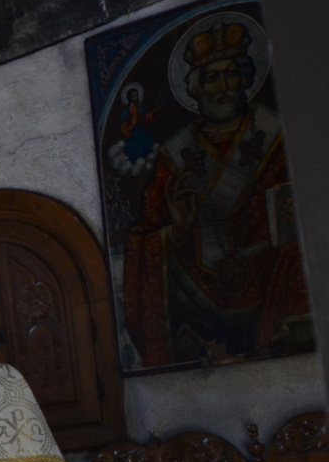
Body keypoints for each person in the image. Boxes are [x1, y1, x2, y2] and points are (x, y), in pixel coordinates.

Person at [121, 18, 309, 366]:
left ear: (245, 78)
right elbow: (141, 240)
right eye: (211, 77)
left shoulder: (276, 137)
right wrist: (175, 231)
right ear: (194, 88)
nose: (223, 85)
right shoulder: (173, 157)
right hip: (198, 297)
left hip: (270, 287)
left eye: (231, 73)